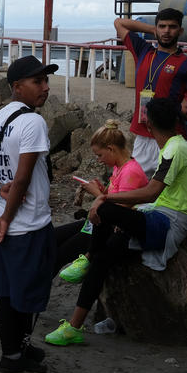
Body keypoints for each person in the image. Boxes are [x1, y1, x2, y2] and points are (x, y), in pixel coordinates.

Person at [44, 97, 187, 346]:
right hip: (158, 214)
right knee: (103, 259)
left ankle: (87, 257)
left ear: (148, 125)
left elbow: (151, 192)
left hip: (167, 222)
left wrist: (104, 198)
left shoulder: (175, 149)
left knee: (105, 213)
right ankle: (74, 326)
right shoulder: (175, 146)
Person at [0, 55, 58, 373]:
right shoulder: (33, 122)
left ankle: (15, 348)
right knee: (28, 293)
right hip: (24, 223)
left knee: (7, 291)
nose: (46, 88)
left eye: (46, 81)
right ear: (17, 87)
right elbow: (22, 179)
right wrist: (9, 217)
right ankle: (13, 355)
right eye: (38, 82)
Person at [114, 8, 187, 176]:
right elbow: (119, 22)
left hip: (172, 136)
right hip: (143, 134)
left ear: (181, 31)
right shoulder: (143, 51)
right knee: (137, 185)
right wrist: (152, 30)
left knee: (168, 190)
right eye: (162, 26)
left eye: (172, 27)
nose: (167, 31)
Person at [56, 120, 148, 281]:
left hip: (110, 229)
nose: (99, 160)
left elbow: (117, 212)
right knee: (53, 237)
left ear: (111, 149)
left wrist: (98, 193)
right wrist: (103, 190)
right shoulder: (119, 167)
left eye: (100, 155)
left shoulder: (130, 171)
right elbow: (115, 197)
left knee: (60, 253)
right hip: (101, 223)